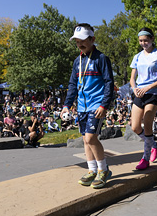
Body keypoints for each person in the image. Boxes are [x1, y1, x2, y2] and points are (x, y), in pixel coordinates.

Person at [61, 23, 114, 189]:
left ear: (92, 39)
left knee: (91, 138)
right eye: (77, 41)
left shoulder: (101, 58)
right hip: (82, 106)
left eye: (83, 40)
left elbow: (109, 83)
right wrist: (67, 105)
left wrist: (104, 105)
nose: (79, 44)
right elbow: (72, 84)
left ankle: (103, 170)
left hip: (96, 105)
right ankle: (92, 170)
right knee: (85, 139)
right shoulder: (78, 61)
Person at [130, 27, 157, 170]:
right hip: (139, 92)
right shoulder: (137, 56)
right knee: (134, 126)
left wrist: (148, 87)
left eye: (146, 40)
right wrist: (135, 88)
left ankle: (145, 158)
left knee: (147, 124)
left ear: (152, 39)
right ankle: (154, 145)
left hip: (153, 93)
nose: (143, 43)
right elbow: (132, 78)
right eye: (141, 41)